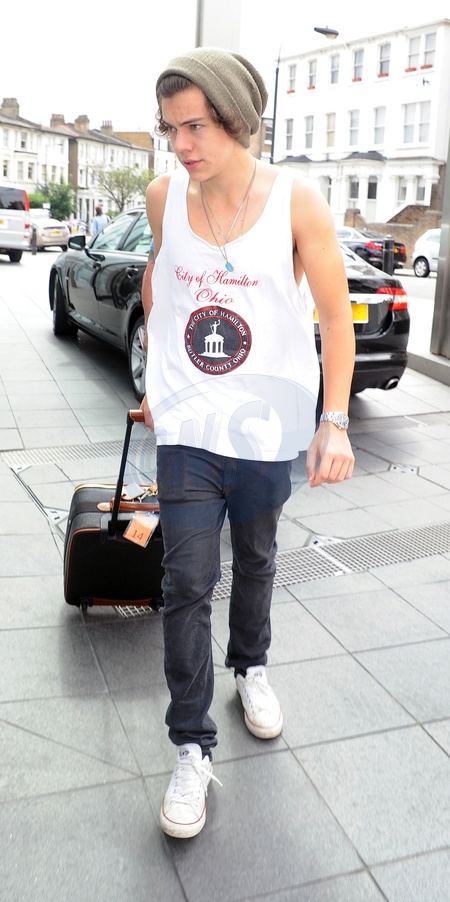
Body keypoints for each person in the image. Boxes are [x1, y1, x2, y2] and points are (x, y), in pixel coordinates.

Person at [140, 47, 355, 840]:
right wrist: (155, 376)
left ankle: (251, 664)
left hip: (268, 421)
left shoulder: (297, 201)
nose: (180, 144)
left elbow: (334, 313)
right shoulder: (164, 196)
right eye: (170, 128)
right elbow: (160, 277)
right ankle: (191, 748)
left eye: (194, 126)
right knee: (187, 581)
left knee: (258, 559)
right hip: (189, 425)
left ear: (236, 118)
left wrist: (335, 420)